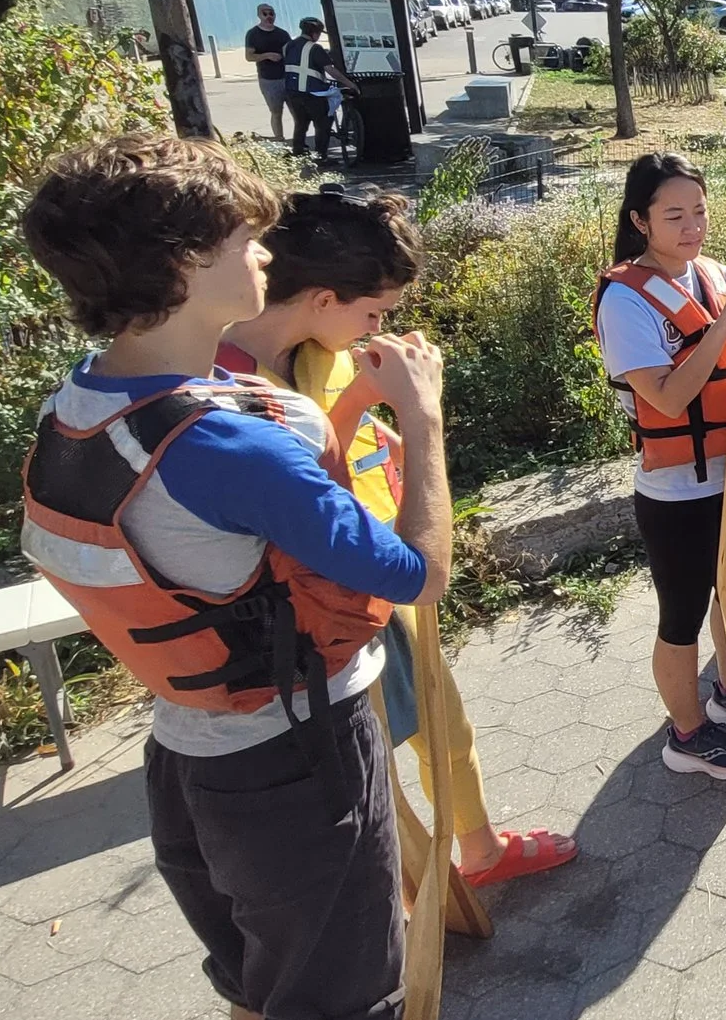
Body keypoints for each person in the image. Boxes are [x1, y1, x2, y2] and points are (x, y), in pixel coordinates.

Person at [17, 134, 510, 1020]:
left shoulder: (90, 404)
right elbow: (415, 575)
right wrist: (423, 419)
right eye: (245, 237)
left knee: (254, 973)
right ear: (186, 263)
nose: (263, 252)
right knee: (338, 1005)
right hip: (296, 759)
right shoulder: (226, 438)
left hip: (190, 747)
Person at [219, 189, 575, 892]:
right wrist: (397, 408)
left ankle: (478, 847)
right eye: (372, 312)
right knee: (367, 750)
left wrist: (381, 428)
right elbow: (302, 481)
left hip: (391, 566)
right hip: (321, 604)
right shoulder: (232, 387)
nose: (375, 329)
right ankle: (405, 886)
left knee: (442, 717)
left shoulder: (317, 349)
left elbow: (347, 442)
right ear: (323, 299)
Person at [595, 153, 726, 778]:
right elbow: (670, 398)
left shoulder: (716, 274)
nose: (691, 226)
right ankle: (687, 734)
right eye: (673, 214)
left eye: (699, 211)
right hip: (676, 488)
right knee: (682, 611)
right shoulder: (625, 300)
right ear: (640, 221)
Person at [285, 17, 355, 162]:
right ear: (315, 33)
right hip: (313, 93)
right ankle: (321, 157)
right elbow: (330, 70)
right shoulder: (315, 48)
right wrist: (349, 84)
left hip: (293, 92)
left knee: (301, 123)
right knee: (322, 124)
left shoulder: (289, 46)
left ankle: (298, 153)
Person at [246, 4, 293, 142]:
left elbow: (290, 52)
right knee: (276, 111)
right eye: (265, 14)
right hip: (268, 79)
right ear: (259, 15)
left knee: (297, 112)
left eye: (271, 13)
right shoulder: (253, 34)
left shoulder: (282, 33)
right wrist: (266, 56)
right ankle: (280, 139)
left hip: (287, 76)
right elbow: (249, 56)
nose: (269, 17)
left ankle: (298, 142)